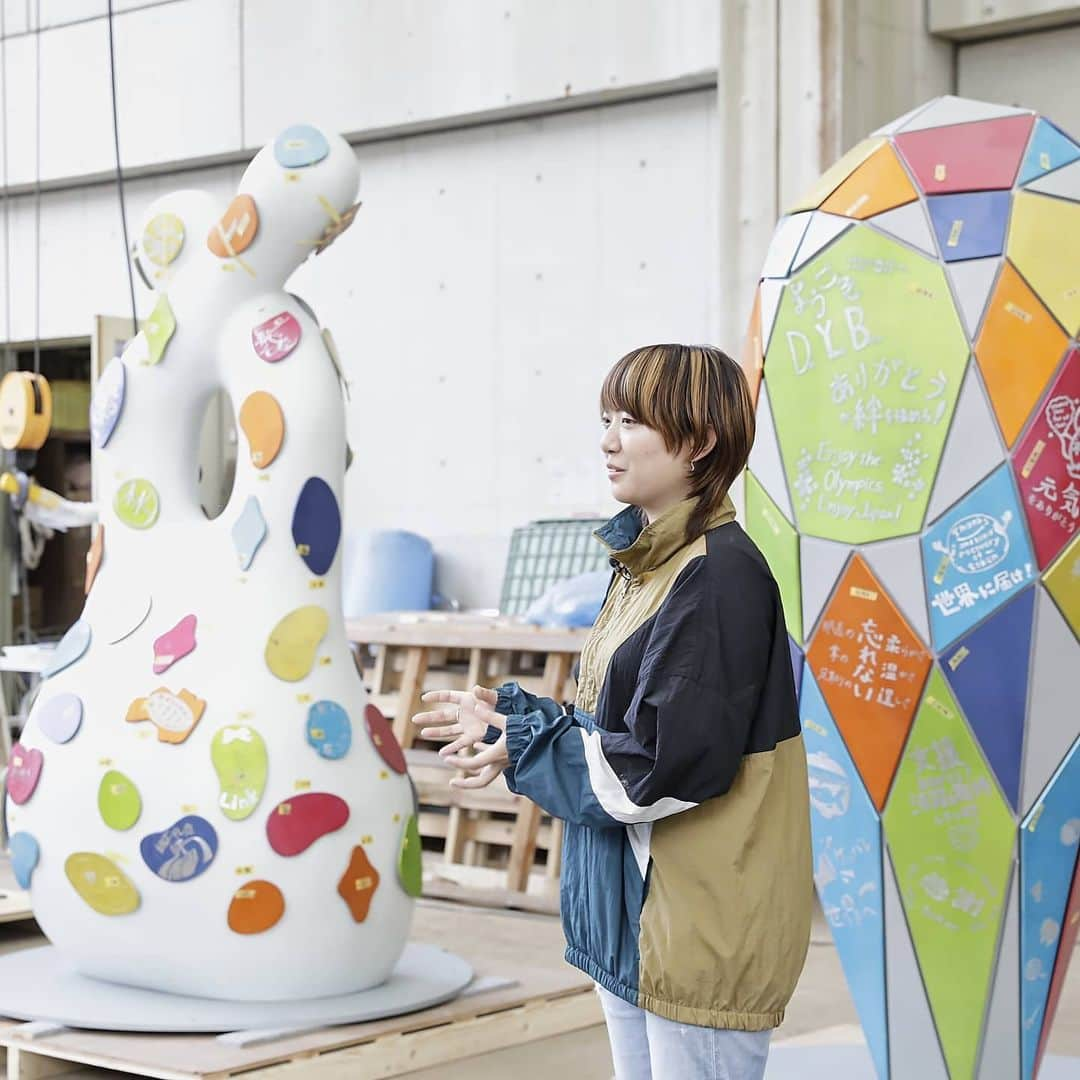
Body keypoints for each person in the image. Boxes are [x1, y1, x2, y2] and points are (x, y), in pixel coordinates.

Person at [413, 344, 813, 1080]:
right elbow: (626, 725)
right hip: (635, 917)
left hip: (695, 928)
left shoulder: (718, 578)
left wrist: (529, 742)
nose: (607, 440)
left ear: (699, 440)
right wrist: (515, 722)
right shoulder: (649, 564)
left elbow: (653, 772)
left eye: (630, 421)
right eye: (606, 418)